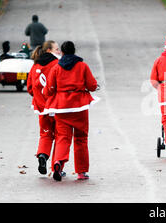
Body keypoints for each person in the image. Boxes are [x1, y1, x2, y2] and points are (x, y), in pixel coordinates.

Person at [43, 41, 98, 181]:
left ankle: (58, 163)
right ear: (74, 51)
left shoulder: (56, 68)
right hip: (79, 106)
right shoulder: (82, 66)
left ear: (62, 52)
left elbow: (49, 89)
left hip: (61, 107)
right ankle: (81, 171)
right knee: (81, 138)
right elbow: (92, 85)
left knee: (62, 137)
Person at [27, 40, 61, 175]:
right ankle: (57, 166)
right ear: (49, 51)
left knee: (45, 134)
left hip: (41, 108)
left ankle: (42, 155)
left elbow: (30, 88)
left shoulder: (35, 66)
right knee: (60, 136)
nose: (59, 51)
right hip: (56, 107)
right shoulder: (57, 64)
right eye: (57, 49)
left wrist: (38, 98)